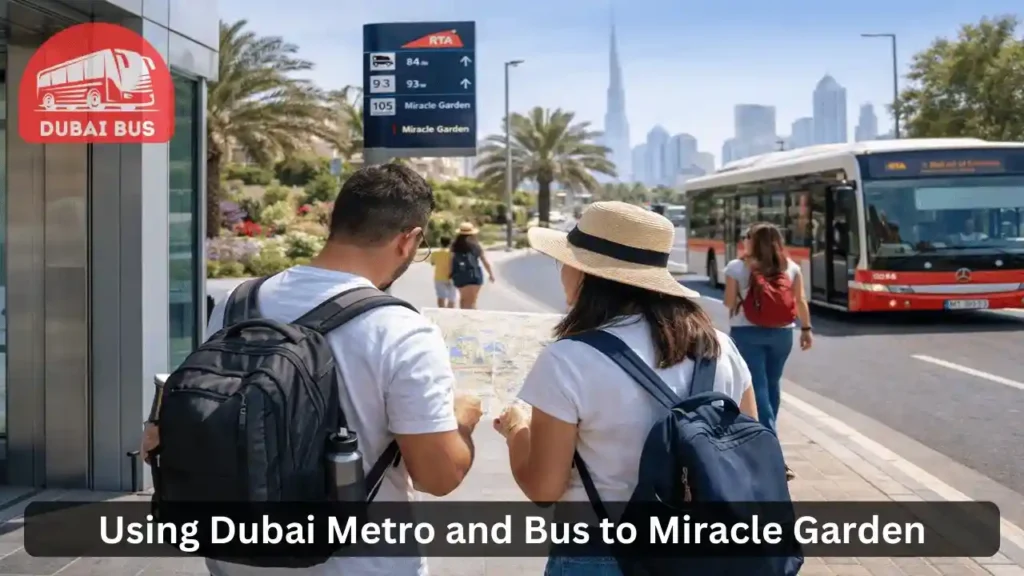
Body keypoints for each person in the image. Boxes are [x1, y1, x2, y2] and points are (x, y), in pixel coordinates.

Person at [143, 164, 482, 576]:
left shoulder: (239, 302)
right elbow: (437, 476)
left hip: (236, 561)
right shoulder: (404, 331)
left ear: (333, 223)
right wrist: (462, 419)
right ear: (408, 240)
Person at [492, 202, 759, 576]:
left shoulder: (568, 358)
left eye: (566, 261)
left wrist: (515, 430)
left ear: (589, 275)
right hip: (705, 554)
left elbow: (543, 487)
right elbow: (746, 445)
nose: (563, 272)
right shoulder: (720, 348)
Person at [723, 223, 812, 479]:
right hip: (783, 334)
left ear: (751, 241)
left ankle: (772, 455)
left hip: (746, 334)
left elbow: (729, 302)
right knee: (771, 389)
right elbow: (800, 301)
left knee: (758, 392)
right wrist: (806, 329)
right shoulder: (791, 267)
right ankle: (767, 440)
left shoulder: (737, 267)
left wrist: (742, 293)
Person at [449, 222, 494, 309]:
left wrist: (450, 273)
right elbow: (484, 261)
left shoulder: (454, 246)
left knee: (463, 301)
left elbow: (451, 261)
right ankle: (472, 320)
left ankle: (463, 319)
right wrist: (491, 274)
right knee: (472, 302)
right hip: (475, 275)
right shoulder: (476, 246)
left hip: (460, 276)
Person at [429, 236, 457, 308]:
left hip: (439, 277)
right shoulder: (453, 253)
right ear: (450, 243)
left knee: (441, 296)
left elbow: (432, 263)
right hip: (452, 277)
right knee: (452, 298)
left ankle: (441, 311)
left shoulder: (435, 253)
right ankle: (450, 313)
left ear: (440, 243)